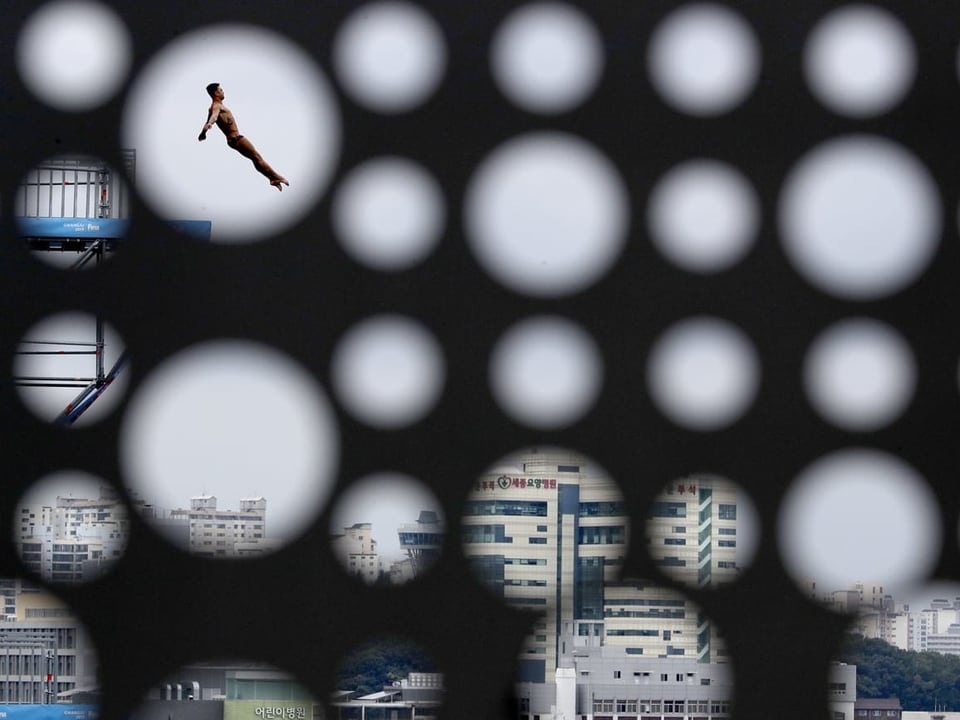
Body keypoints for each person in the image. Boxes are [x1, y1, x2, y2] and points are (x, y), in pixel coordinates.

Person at [198, 82, 289, 191]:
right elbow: (214, 116)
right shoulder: (217, 106)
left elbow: (209, 119)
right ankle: (276, 177)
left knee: (255, 158)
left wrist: (203, 132)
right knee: (257, 157)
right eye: (221, 90)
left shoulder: (213, 107)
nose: (223, 92)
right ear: (216, 93)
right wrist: (210, 124)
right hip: (236, 138)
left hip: (232, 140)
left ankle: (272, 178)